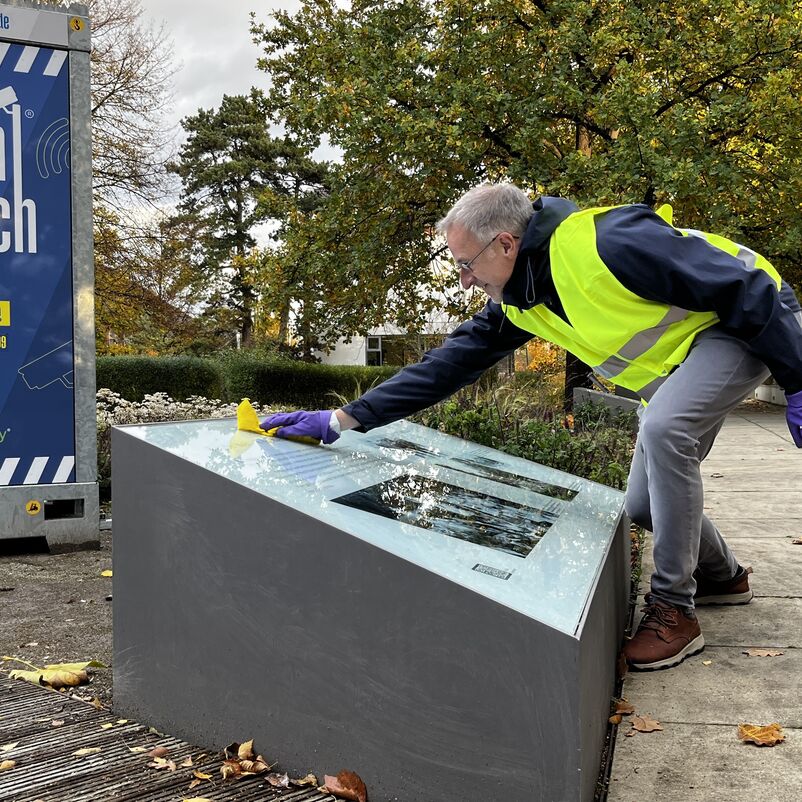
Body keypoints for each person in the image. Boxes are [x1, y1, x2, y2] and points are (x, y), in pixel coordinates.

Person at [261, 183, 802, 671]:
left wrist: (797, 381)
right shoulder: (519, 298)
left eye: (466, 264)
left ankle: (675, 611)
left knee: (665, 432)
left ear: (504, 243)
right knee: (643, 504)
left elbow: (748, 286)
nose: (466, 279)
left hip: (742, 325)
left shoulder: (606, 242)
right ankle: (724, 576)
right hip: (677, 363)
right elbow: (447, 365)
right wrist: (341, 419)